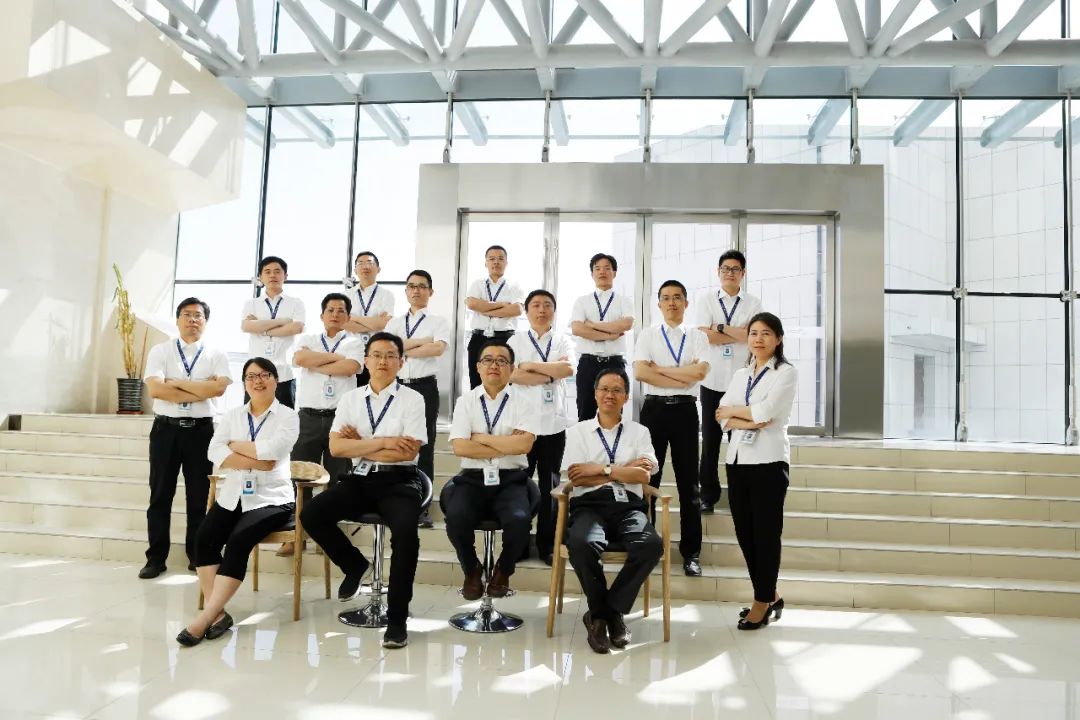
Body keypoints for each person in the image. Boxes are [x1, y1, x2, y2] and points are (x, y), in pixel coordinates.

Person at [300, 332, 427, 649]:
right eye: (377, 355)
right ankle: (355, 565)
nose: (383, 361)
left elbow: (408, 452)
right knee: (312, 514)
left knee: (406, 535)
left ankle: (397, 621)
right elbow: (337, 448)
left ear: (402, 362)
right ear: (366, 360)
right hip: (359, 479)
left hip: (400, 481)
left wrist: (360, 444)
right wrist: (385, 442)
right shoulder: (350, 399)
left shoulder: (413, 399)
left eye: (391, 355)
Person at [177, 358, 299, 646]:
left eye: (264, 375)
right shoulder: (233, 415)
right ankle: (218, 614)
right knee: (203, 540)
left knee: (238, 540)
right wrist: (254, 457)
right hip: (234, 494)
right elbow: (214, 451)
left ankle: (204, 619)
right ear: (244, 383)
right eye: (251, 376)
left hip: (272, 499)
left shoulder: (288, 417)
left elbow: (273, 455)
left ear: (276, 380)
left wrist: (235, 447)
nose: (258, 381)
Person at [561, 367, 662, 654]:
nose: (610, 394)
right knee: (581, 542)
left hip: (629, 506)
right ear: (595, 394)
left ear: (626, 397)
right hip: (589, 505)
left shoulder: (639, 432)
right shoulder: (578, 432)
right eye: (604, 389)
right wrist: (622, 471)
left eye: (617, 390)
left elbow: (643, 475)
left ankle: (606, 613)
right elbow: (576, 478)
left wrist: (601, 470)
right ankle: (607, 615)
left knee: (651, 545)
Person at [139, 297, 231, 579]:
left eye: (198, 315)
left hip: (201, 432)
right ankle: (156, 559)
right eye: (187, 314)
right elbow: (156, 390)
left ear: (206, 321)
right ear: (178, 319)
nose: (193, 320)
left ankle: (197, 555)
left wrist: (176, 383)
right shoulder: (161, 351)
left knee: (199, 497)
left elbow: (218, 390)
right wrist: (200, 388)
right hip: (165, 430)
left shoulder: (216, 353)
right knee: (160, 496)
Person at [715, 312, 797, 631]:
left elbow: (767, 412)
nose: (758, 339)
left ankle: (761, 602)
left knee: (765, 534)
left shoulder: (786, 372)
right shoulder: (741, 374)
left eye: (765, 333)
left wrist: (740, 415)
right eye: (753, 333)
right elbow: (721, 415)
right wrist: (746, 419)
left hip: (769, 462)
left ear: (778, 339)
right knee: (745, 533)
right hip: (737, 461)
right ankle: (770, 594)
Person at [445, 340, 538, 599]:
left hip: (511, 479)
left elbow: (524, 445)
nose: (494, 365)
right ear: (478, 367)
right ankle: (471, 569)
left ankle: (503, 570)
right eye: (488, 360)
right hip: (472, 479)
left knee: (520, 520)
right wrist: (507, 444)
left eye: (501, 360)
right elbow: (460, 448)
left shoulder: (524, 402)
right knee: (455, 518)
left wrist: (480, 438)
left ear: (512, 368)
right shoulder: (466, 401)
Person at [632, 280, 709, 577]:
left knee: (689, 484)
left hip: (686, 411)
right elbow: (641, 372)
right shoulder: (648, 334)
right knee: (649, 477)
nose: (672, 302)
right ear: (659, 304)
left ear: (686, 303)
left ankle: (691, 553)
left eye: (677, 297)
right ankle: (646, 547)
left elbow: (699, 373)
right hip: (654, 411)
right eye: (666, 298)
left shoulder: (697, 336)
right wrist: (681, 375)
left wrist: (660, 370)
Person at [281, 292, 364, 557]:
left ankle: (327, 538)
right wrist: (335, 359)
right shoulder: (307, 339)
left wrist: (317, 362)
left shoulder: (354, 342)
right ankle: (297, 535)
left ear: (348, 317)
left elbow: (349, 368)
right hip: (307, 417)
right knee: (300, 476)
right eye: (330, 310)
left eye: (341, 311)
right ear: (321, 315)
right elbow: (300, 360)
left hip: (340, 419)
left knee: (337, 480)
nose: (335, 314)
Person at [508, 289, 574, 565]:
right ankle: (519, 544)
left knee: (551, 487)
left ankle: (547, 545)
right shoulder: (515, 340)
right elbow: (511, 374)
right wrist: (549, 372)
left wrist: (530, 366)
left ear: (554, 312)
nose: (542, 310)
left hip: (553, 425)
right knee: (519, 485)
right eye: (536, 305)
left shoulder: (562, 340)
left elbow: (567, 370)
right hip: (522, 426)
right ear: (526, 311)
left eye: (547, 305)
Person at [694, 250, 762, 513]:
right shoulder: (706, 300)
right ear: (718, 272)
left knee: (741, 442)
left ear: (743, 273)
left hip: (742, 385)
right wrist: (737, 333)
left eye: (735, 269)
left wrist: (719, 327)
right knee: (710, 443)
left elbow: (752, 336)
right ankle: (707, 496)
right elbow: (703, 337)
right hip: (712, 382)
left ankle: (739, 496)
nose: (729, 273)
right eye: (725, 269)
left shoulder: (753, 303)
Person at [385, 270, 450, 529]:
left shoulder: (438, 321)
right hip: (397, 386)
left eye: (422, 286)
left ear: (430, 292)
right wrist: (421, 342)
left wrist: (404, 346)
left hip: (425, 387)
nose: (416, 290)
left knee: (424, 445)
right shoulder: (394, 322)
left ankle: (422, 507)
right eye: (411, 286)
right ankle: (394, 503)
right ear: (406, 291)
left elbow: (437, 348)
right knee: (394, 442)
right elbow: (389, 350)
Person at [570, 253, 635, 422]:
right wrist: (610, 335)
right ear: (592, 274)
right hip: (588, 363)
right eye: (597, 268)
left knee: (614, 414)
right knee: (585, 413)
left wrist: (592, 325)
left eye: (607, 268)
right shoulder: (582, 301)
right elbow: (577, 329)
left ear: (614, 273)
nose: (602, 272)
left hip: (614, 363)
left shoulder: (623, 301)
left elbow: (626, 324)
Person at [240, 256, 305, 408]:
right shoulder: (251, 304)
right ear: (260, 277)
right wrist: (282, 321)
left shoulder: (295, 303)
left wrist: (261, 327)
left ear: (285, 276)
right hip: (255, 375)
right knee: (252, 418)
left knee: (285, 418)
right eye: (267, 272)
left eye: (277, 271)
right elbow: (246, 327)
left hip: (284, 374)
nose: (272, 275)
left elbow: (296, 328)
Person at [464, 245, 523, 389]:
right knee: (476, 382)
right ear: (486, 263)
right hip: (479, 339)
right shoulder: (478, 284)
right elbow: (472, 304)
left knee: (504, 383)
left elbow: (516, 309)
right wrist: (502, 305)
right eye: (492, 259)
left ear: (506, 263)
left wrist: (485, 309)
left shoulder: (514, 285)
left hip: (505, 339)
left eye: (500, 259)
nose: (496, 262)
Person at [344, 251, 395, 387]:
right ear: (355, 270)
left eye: (369, 263)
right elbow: (344, 323)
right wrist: (374, 322)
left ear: (378, 269)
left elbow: (384, 323)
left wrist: (354, 318)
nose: (365, 266)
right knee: (352, 395)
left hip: (377, 354)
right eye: (360, 263)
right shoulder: (347, 295)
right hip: (352, 353)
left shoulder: (386, 295)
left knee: (376, 392)